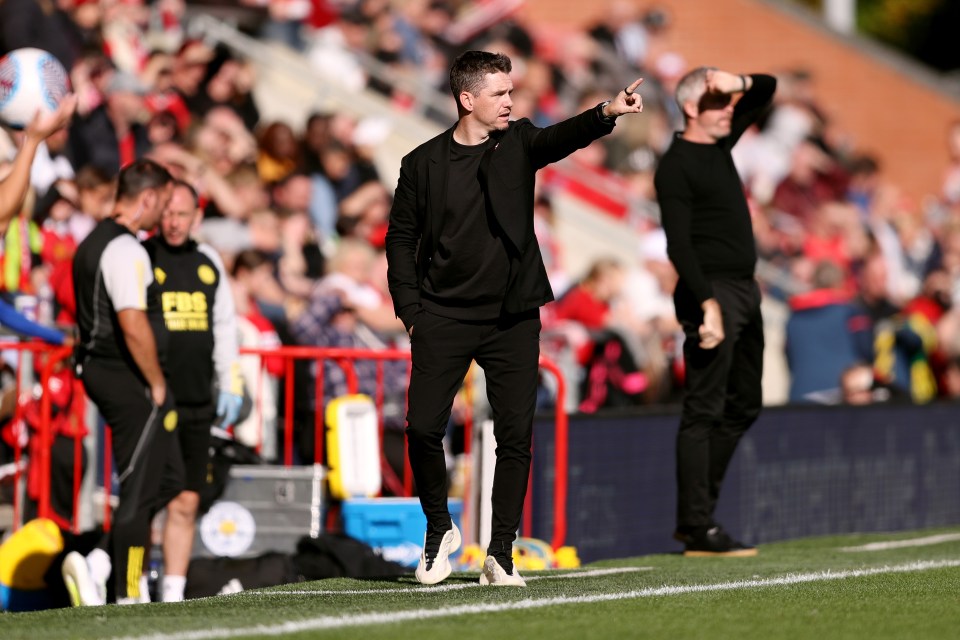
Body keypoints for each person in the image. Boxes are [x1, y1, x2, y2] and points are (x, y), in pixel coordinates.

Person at [385, 50, 644, 586]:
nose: (510, 102)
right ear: (467, 99)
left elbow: (560, 137)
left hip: (512, 317)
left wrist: (607, 112)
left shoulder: (519, 141)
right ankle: (440, 528)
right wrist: (411, 313)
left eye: (511, 92)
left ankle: (500, 553)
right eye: (499, 94)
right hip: (441, 317)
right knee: (422, 428)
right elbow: (400, 242)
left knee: (515, 437)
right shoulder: (421, 164)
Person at [655, 67, 776, 557]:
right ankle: (697, 526)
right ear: (691, 107)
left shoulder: (721, 145)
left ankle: (699, 518)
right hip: (711, 292)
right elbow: (678, 245)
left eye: (729, 101)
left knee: (744, 402)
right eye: (717, 101)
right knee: (703, 408)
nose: (729, 108)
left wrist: (736, 80)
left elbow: (766, 89)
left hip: (744, 289)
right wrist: (706, 303)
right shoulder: (676, 165)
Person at [62, 159, 183, 606]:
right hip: (125, 376)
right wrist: (155, 382)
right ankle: (126, 591)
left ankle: (99, 564)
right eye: (164, 203)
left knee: (170, 476)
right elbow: (132, 322)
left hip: (112, 372)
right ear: (147, 198)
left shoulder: (99, 241)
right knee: (139, 485)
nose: (165, 215)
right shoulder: (123, 248)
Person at [143, 180, 243, 603]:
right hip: (152, 400)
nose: (173, 222)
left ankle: (173, 591)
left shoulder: (208, 262)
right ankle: (133, 585)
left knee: (185, 501)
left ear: (197, 217)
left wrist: (231, 381)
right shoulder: (142, 255)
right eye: (167, 212)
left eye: (182, 214)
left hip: (199, 398)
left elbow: (224, 326)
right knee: (145, 500)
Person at [0, 95, 78, 234]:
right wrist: (32, 140)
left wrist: (32, 140)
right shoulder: (9, 162)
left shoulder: (62, 162)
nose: (63, 134)